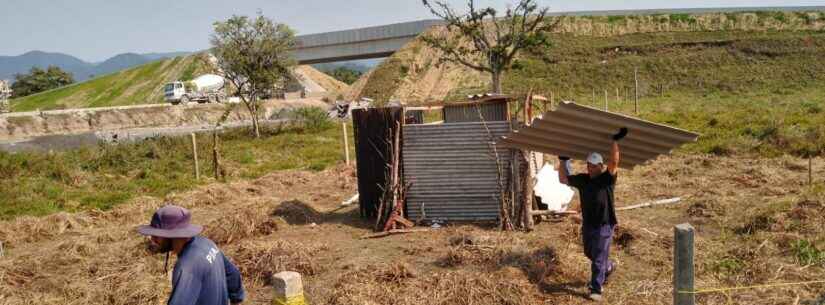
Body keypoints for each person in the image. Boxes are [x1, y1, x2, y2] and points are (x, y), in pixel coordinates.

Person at [558, 127, 628, 302]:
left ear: (600, 166)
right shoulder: (583, 180)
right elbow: (563, 179)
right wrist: (562, 161)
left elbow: (614, 162)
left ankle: (596, 288)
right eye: (588, 165)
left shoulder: (607, 179)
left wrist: (615, 141)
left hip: (605, 225)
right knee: (590, 253)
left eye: (593, 166)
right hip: (588, 224)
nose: (590, 168)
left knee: (597, 258)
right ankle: (609, 266)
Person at [138, 205, 245, 305]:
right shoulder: (207, 243)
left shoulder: (187, 267)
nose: (152, 239)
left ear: (172, 236)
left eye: (157, 235)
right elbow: (233, 275)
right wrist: (236, 299)